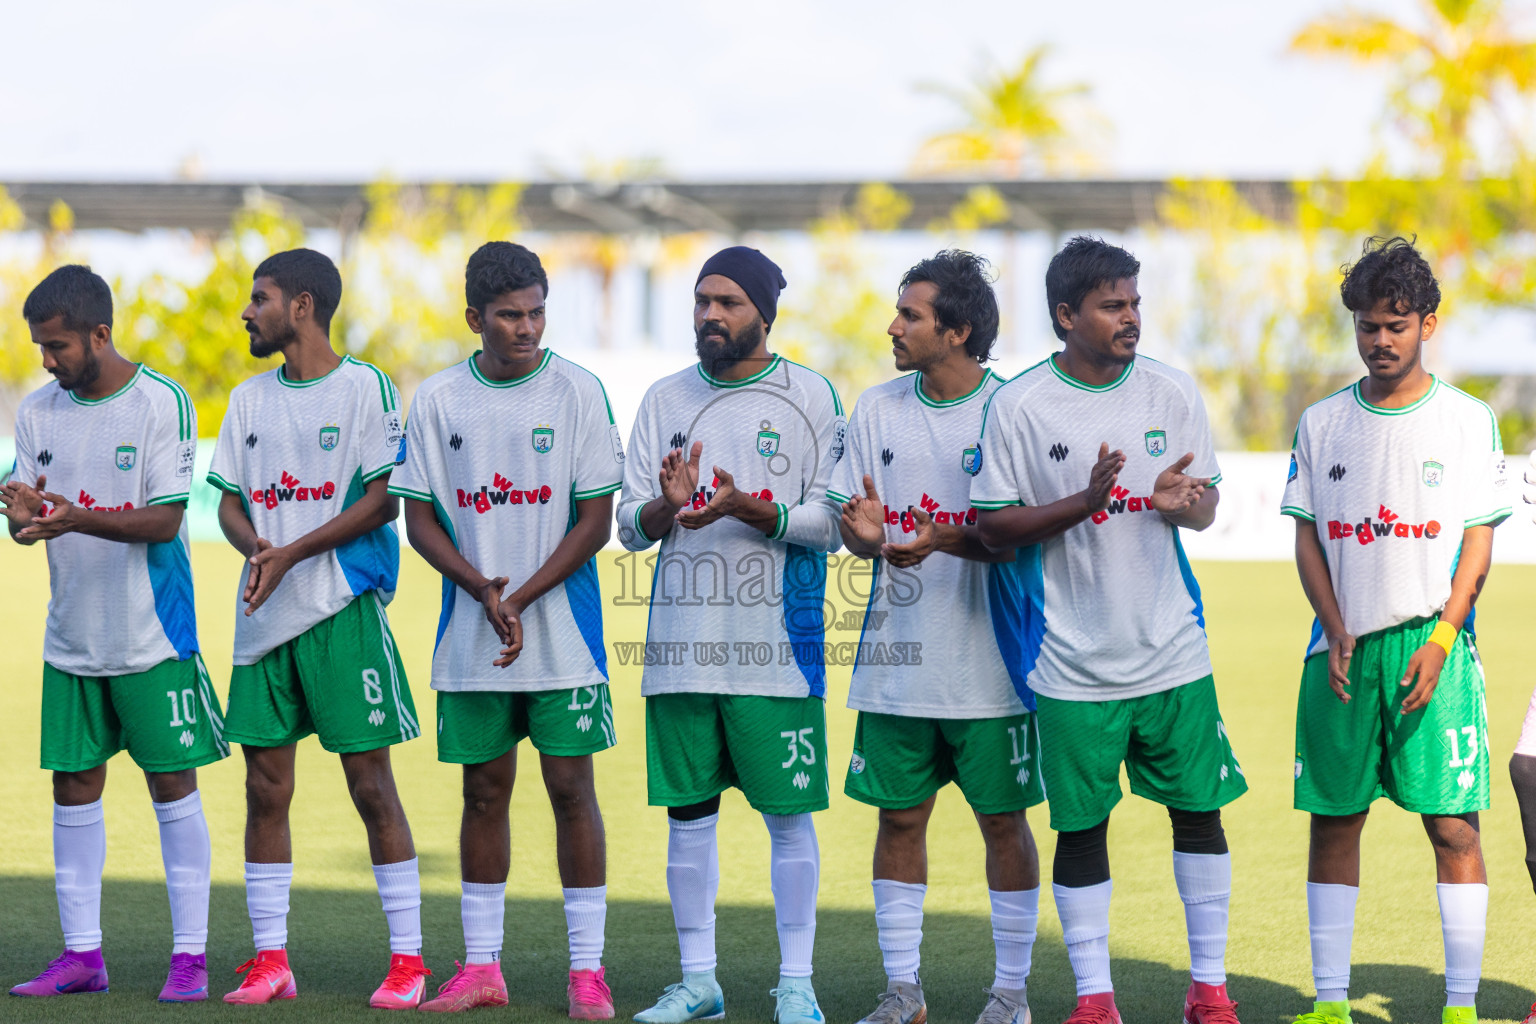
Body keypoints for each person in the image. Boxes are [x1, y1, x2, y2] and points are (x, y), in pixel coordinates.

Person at [972, 236, 1247, 1024]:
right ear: (1066, 315)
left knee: (1200, 814)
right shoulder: (1020, 406)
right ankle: (1096, 1001)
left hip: (1173, 653)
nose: (1131, 317)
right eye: (1111, 305)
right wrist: (1082, 504)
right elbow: (993, 528)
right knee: (1082, 828)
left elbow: (1208, 508)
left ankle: (1210, 991)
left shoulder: (1171, 391)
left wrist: (1182, 503)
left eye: (1133, 301)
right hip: (1070, 664)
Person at [390, 241, 622, 1017]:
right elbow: (416, 518)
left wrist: (520, 596)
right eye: (510, 316)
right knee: (483, 793)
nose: (526, 329)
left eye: (536, 313)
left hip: (565, 636)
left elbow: (596, 521)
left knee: (570, 791)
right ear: (474, 319)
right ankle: (482, 968)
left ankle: (586, 972)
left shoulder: (579, 392)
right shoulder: (438, 399)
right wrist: (478, 589)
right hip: (472, 633)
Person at [1281, 237, 1509, 1024]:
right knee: (1335, 820)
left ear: (1428, 326)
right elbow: (1307, 536)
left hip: (1430, 648)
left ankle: (1460, 1006)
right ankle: (1331, 1004)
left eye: (1397, 325)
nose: (1380, 340)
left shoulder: (1467, 421)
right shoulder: (1320, 423)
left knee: (1452, 825)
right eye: (1368, 325)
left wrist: (1445, 639)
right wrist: (1334, 627)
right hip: (1339, 651)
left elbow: (1479, 540)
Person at [615, 246, 844, 1024]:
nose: (711, 314)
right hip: (681, 648)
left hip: (776, 650)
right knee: (689, 818)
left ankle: (797, 983)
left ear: (765, 314)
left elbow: (833, 527)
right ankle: (699, 982)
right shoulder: (662, 398)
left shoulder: (809, 396)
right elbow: (630, 526)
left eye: (729, 302)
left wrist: (753, 508)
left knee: (788, 818)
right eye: (702, 300)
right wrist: (665, 508)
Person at [206, 248, 429, 1008]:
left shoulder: (365, 387)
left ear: (302, 306)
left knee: (371, 787)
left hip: (341, 608)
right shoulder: (247, 400)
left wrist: (293, 551)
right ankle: (272, 960)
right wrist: (257, 550)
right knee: (265, 788)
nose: (247, 311)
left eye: (259, 298)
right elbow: (228, 502)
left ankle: (408, 962)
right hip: (263, 613)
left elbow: (383, 501)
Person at [830, 250, 1043, 1024]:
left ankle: (1011, 995)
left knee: (1002, 821)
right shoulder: (876, 409)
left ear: (956, 331)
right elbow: (858, 530)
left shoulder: (1013, 411)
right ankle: (903, 992)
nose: (894, 326)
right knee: (899, 818)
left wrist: (939, 538)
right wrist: (862, 536)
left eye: (910, 315)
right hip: (897, 658)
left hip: (992, 662)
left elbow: (1017, 535)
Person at [3, 265, 227, 1002]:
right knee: (74, 787)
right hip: (70, 637)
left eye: (59, 345)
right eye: (40, 346)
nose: (47, 360)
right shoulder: (37, 414)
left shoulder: (161, 403)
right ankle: (82, 956)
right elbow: (26, 530)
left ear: (101, 334)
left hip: (152, 637)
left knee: (172, 786)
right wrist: (24, 515)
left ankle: (190, 957)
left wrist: (73, 517)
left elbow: (166, 520)